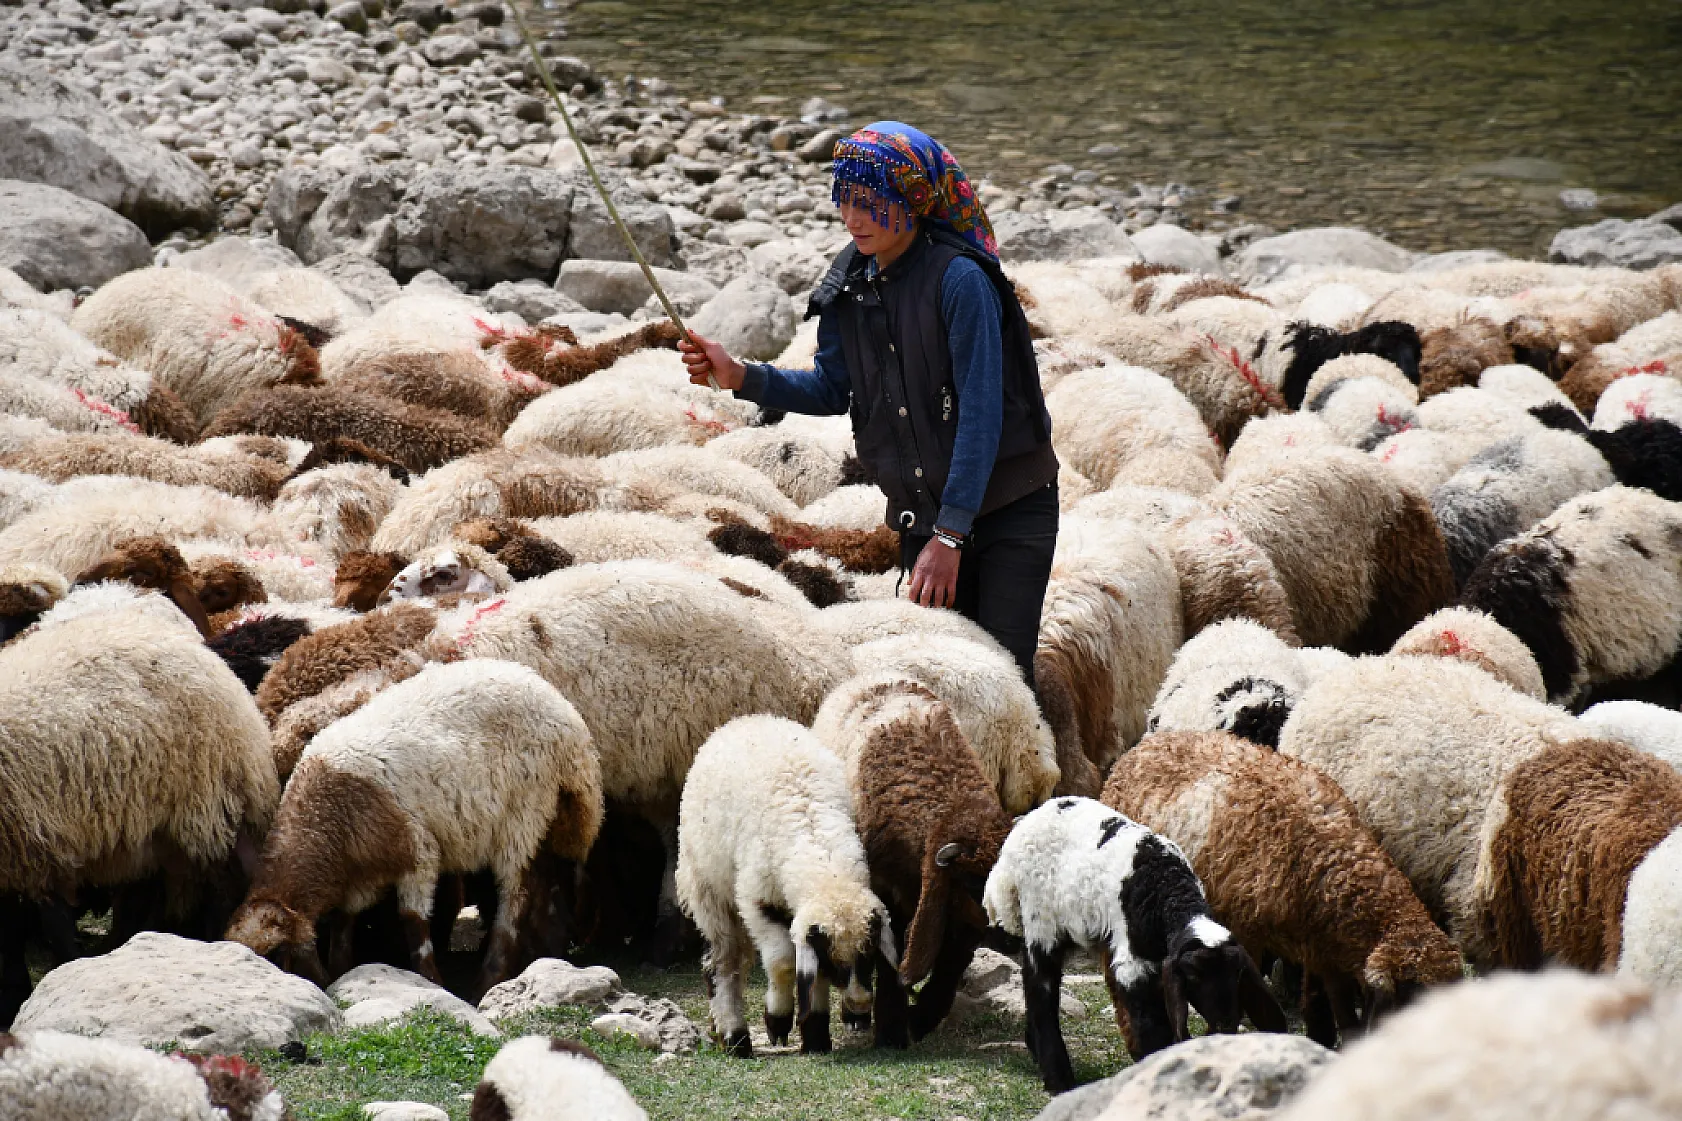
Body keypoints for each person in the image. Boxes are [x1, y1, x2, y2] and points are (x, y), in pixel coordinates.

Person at [680, 121, 1059, 689]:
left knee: (1000, 681)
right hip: (924, 516)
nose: (853, 218)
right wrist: (740, 376)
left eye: (870, 204)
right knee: (933, 679)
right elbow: (834, 388)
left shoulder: (961, 283)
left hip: (1008, 510)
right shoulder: (850, 282)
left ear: (910, 202)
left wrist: (950, 539)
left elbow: (983, 415)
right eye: (845, 201)